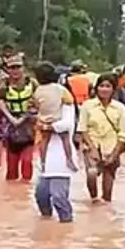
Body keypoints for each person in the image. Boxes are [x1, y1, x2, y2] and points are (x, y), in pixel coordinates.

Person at [77, 74, 125, 203]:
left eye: (108, 86)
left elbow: (123, 134)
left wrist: (114, 154)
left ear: (113, 89)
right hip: (92, 145)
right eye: (101, 86)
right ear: (96, 88)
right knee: (91, 173)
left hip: (112, 147)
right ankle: (94, 199)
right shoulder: (87, 106)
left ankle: (105, 210)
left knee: (107, 194)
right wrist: (92, 149)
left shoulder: (120, 108)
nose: (104, 89)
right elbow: (82, 129)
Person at [36, 91, 78, 222]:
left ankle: (66, 222)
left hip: (61, 159)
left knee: (58, 196)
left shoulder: (67, 107)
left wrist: (48, 126)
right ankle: (46, 224)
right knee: (41, 195)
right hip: (46, 157)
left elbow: (66, 125)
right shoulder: (42, 105)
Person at [0, 54, 38, 182]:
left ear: (23, 68)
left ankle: (24, 194)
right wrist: (11, 119)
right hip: (11, 130)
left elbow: (40, 102)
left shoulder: (32, 84)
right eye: (11, 68)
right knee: (11, 170)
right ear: (7, 70)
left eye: (17, 67)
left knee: (27, 163)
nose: (15, 70)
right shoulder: (3, 87)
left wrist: (31, 114)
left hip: (29, 128)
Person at [32, 61, 76, 173]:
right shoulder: (59, 89)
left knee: (44, 141)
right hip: (57, 119)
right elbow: (70, 100)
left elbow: (36, 105)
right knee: (65, 139)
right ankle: (69, 159)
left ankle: (43, 162)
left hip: (43, 120)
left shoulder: (37, 91)